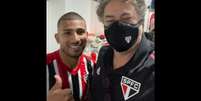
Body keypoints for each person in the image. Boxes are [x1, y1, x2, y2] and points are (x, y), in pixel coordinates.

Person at [91, 0, 155, 101]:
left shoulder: (151, 66)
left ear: (141, 20)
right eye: (110, 21)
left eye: (126, 19)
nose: (117, 27)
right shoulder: (104, 54)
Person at [47, 12, 94, 101]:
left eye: (80, 32)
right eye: (67, 33)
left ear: (87, 36)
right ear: (57, 38)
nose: (75, 39)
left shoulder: (92, 65)